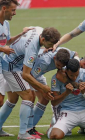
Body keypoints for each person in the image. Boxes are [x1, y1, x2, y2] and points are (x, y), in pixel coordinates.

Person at [0, 26, 61, 140]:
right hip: (12, 67)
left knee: (13, 100)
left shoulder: (39, 30)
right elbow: (26, 75)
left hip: (8, 62)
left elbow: (26, 28)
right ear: (43, 40)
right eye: (50, 44)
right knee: (28, 96)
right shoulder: (32, 49)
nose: (51, 47)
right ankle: (23, 134)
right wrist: (43, 88)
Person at [0, 0, 32, 137]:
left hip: (1, 64)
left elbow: (7, 41)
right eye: (13, 10)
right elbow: (3, 46)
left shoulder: (5, 24)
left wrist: (22, 34)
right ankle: (23, 134)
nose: (14, 13)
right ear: (4, 8)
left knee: (4, 99)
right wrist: (2, 49)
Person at [26, 47, 76, 136]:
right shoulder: (44, 62)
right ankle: (27, 130)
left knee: (45, 99)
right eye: (58, 65)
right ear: (54, 58)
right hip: (28, 73)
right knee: (29, 98)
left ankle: (32, 127)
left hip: (38, 74)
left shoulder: (65, 53)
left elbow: (75, 54)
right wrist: (43, 90)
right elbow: (29, 77)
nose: (60, 68)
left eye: (62, 66)